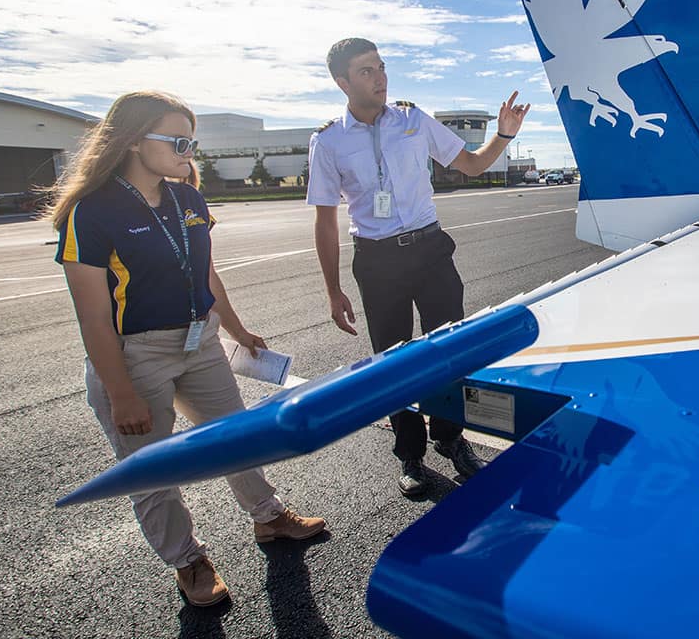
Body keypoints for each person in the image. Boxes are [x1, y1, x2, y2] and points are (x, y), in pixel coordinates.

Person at [49, 91, 326, 608]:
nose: (188, 152)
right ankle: (188, 560)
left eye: (192, 142)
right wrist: (120, 391)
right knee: (153, 471)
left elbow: (206, 273)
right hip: (134, 357)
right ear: (133, 141)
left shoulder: (189, 199)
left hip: (201, 342)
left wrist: (239, 332)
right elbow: (91, 316)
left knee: (238, 439)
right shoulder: (90, 212)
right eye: (178, 141)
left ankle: (269, 518)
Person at [307, 37, 530, 497]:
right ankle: (410, 454)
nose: (380, 77)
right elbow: (325, 220)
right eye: (367, 71)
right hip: (377, 258)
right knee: (394, 359)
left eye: (381, 67)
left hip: (430, 251)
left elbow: (470, 165)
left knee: (451, 349)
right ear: (342, 81)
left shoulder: (412, 119)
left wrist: (504, 134)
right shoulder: (327, 140)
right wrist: (333, 290)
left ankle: (451, 439)